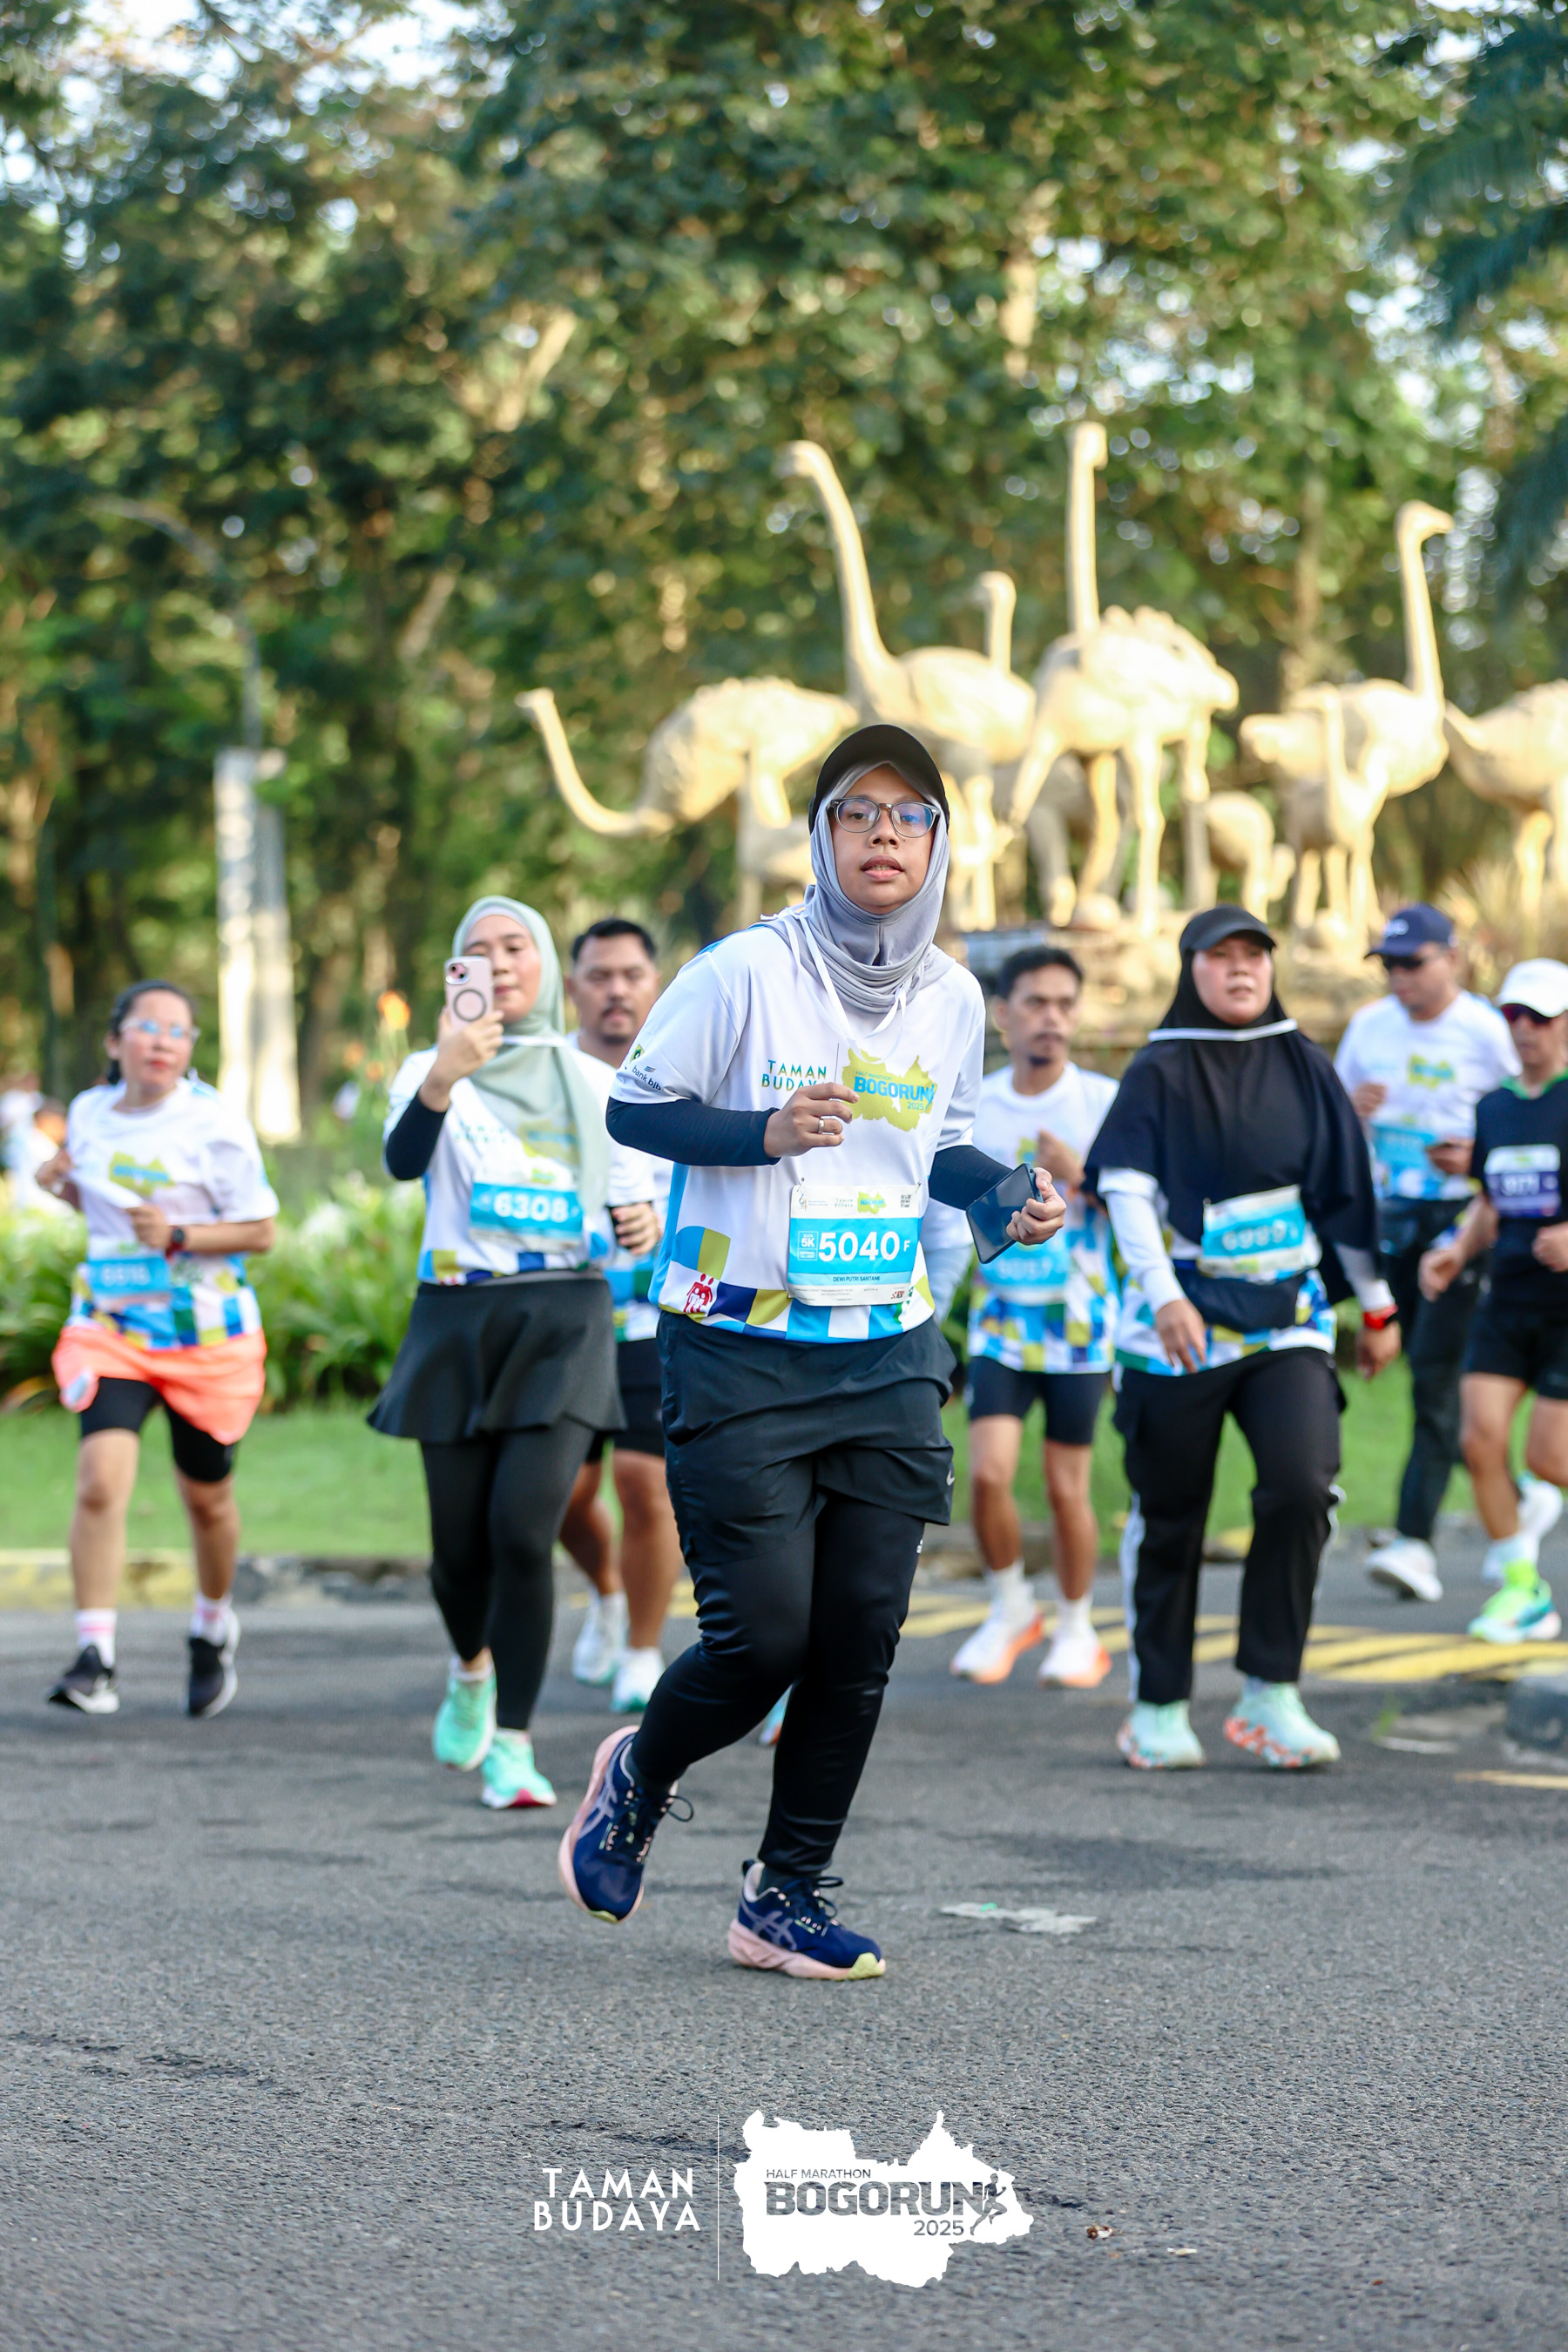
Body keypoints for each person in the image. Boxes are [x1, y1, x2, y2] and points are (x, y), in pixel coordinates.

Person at [556, 723, 1064, 1980]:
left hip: (886, 1350)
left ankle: (783, 1896)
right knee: (762, 1640)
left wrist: (1006, 1195)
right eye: (857, 813)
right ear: (823, 838)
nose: (884, 834)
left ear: (938, 844)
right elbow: (637, 1106)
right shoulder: (745, 970)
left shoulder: (951, 997)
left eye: (909, 816)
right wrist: (765, 1132)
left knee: (859, 1637)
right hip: (737, 1347)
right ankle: (639, 1773)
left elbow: (935, 1147)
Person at [1087, 905, 1401, 1771]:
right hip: (1180, 1322)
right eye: (1220, 956)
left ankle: (1271, 1695)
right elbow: (1125, 1188)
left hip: (1287, 1317)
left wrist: (1376, 1307)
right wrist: (1163, 1296)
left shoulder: (1305, 1063)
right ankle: (1157, 1705)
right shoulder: (1159, 1067)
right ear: (1190, 968)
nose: (1240, 970)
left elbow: (1346, 1194)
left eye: (1254, 955)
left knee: (1302, 1486)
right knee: (1171, 1516)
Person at [374, 897, 659, 1809]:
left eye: (514, 947)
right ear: (454, 971)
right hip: (458, 1317)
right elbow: (402, 1163)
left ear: (542, 966)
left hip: (567, 1317)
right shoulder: (429, 1068)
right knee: (457, 1555)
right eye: (477, 951)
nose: (498, 964)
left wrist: (642, 1223)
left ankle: (513, 1743)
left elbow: (635, 1210)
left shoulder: (597, 1081)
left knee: (523, 1529)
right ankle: (471, 1670)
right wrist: (443, 1076)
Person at [39, 983, 277, 1718]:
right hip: (114, 1326)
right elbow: (100, 1203)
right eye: (147, 1027)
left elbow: (261, 1231)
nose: (163, 1042)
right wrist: (62, 1186)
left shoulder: (215, 1124)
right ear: (115, 1042)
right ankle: (95, 1658)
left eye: (179, 1031)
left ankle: (211, 1627)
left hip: (205, 1337)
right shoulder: (89, 1112)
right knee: (99, 1481)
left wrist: (178, 1235)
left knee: (207, 1500)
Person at [1335, 904, 1524, 1602]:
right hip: (1388, 1221)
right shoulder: (1367, 1027)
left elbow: (1528, 1112)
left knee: (1435, 1377)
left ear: (1453, 958)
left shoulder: (1487, 1030)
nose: (1400, 978)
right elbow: (1328, 1121)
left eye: (1413, 963)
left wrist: (1480, 1157)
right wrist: (1350, 1108)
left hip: (1463, 1222)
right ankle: (1518, 1497)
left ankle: (1414, 1540)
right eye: (1389, 965)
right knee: (1413, 1364)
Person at [950, 945, 1119, 1689]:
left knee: (1065, 1486)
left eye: (1064, 1004)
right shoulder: (977, 1103)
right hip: (1001, 1321)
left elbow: (1147, 1203)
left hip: (1079, 1324)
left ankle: (1078, 1628)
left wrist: (1084, 1174)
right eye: (1036, 1003)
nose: (1051, 1018)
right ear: (1003, 1014)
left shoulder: (1104, 1101)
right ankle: (1011, 1607)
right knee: (987, 1476)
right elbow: (950, 1205)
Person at [1419, 958, 1568, 1645]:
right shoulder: (1494, 1107)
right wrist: (1457, 1249)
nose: (1525, 1029)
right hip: (1506, 1298)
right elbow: (1491, 1198)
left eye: (1539, 1017)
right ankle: (1522, 1588)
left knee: (1548, 1460)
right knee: (1478, 1440)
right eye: (1513, 1016)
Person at [558, 917, 682, 1714]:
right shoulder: (546, 1078)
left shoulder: (684, 1073)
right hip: (561, 1313)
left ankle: (641, 1648)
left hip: (653, 1316)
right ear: (572, 987)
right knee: (559, 1495)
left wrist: (661, 1224)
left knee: (644, 1486)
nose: (616, 990)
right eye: (599, 975)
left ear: (654, 985)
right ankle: (606, 1592)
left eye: (631, 975)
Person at [9, 1096, 71, 1215]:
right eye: (61, 1123)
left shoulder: (28, 1142)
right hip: (44, 1209)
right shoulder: (40, 1145)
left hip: (27, 1206)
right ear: (45, 1122)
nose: (65, 1129)